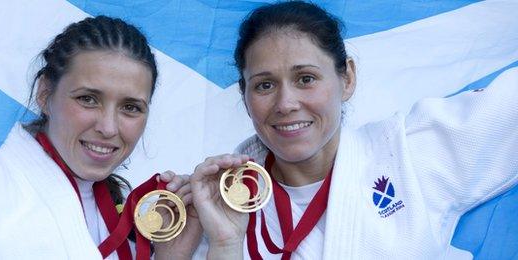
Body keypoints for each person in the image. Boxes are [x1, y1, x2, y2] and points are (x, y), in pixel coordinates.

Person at [186, 1, 518, 259]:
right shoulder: (220, 202)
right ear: (245, 96)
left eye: (306, 79)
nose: (285, 103)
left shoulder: (408, 153)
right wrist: (226, 246)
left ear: (347, 79)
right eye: (265, 85)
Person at [0, 15, 189, 259]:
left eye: (130, 107)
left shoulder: (140, 223)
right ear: (45, 94)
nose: (109, 127)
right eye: (88, 99)